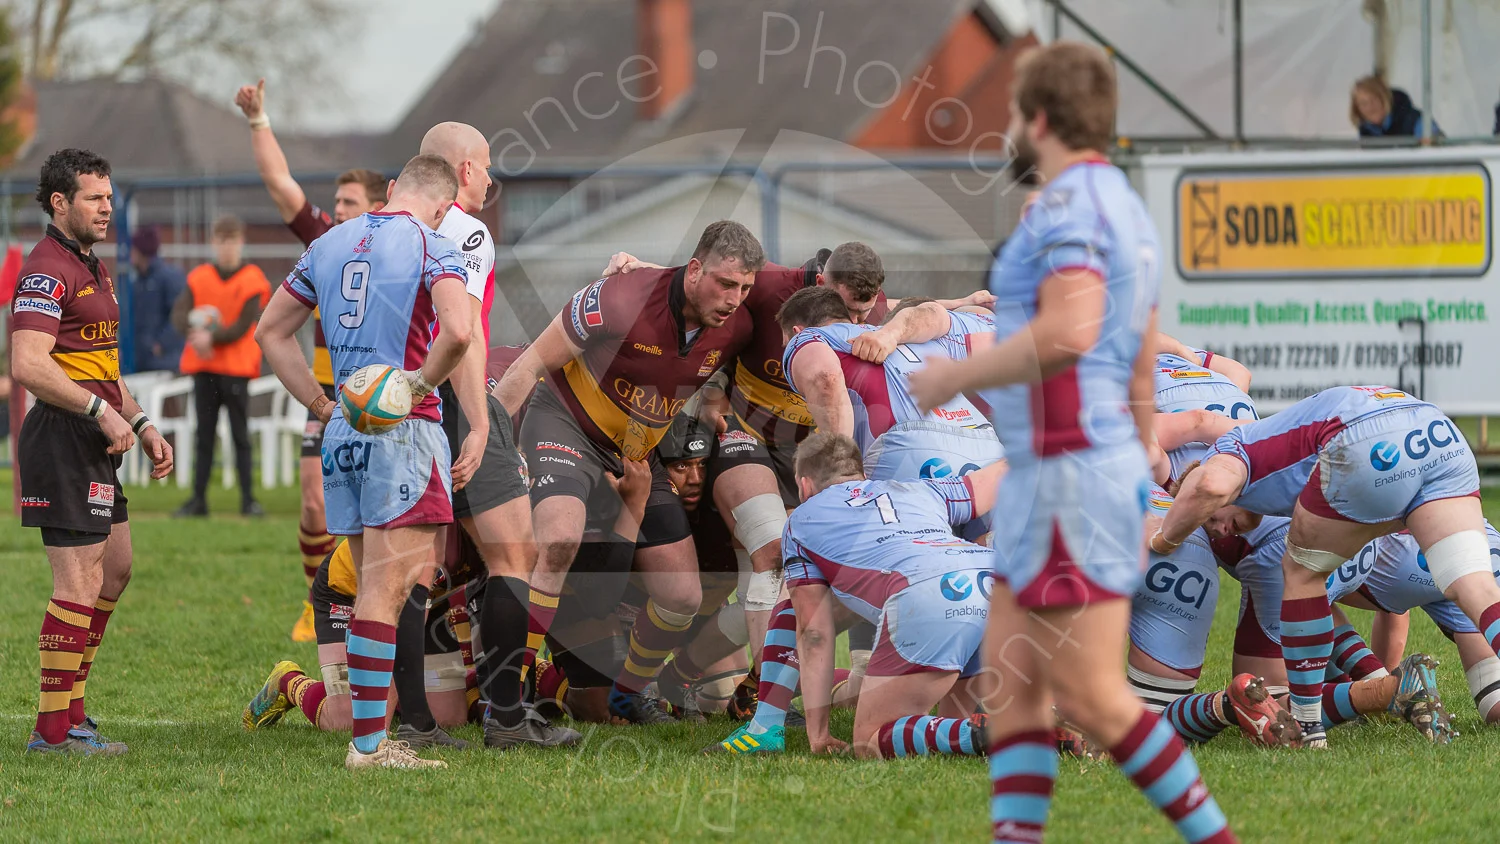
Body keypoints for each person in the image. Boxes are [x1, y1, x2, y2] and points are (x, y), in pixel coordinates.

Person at [906, 42, 1237, 844]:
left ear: (1042, 119)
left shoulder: (1066, 206)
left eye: (1017, 112)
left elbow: (1074, 324)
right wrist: (1141, 439)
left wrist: (958, 377)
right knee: (1012, 689)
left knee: (1089, 696)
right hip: (1061, 471)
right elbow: (1143, 332)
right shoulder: (1117, 201)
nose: (1011, 126)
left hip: (1069, 476)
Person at [255, 153, 477, 770]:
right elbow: (459, 331)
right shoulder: (434, 243)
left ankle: (370, 735)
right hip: (403, 430)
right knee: (389, 587)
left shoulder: (329, 242)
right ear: (439, 203)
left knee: (370, 583)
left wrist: (321, 405)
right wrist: (418, 383)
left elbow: (271, 331)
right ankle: (371, 748)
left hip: (345, 432)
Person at [491, 220, 761, 724]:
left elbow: (839, 293)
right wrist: (486, 448)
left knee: (682, 596)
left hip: (638, 452)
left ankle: (630, 692)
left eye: (745, 288)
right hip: (566, 429)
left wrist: (936, 311)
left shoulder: (739, 321)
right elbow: (527, 366)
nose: (735, 298)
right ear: (695, 269)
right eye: (726, 284)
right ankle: (512, 698)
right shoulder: (619, 298)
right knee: (558, 543)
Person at [1154, 384, 1497, 750]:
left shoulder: (1227, 450)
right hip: (1436, 431)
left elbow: (1209, 483)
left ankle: (1310, 723)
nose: (1219, 529)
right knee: (1476, 587)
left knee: (1301, 576)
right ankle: (1384, 687)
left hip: (1365, 442)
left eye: (1209, 519)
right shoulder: (1266, 445)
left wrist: (1162, 540)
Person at [12, 148, 174, 755]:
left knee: (115, 570)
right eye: (95, 199)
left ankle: (72, 712)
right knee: (76, 584)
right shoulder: (45, 269)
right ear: (61, 203)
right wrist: (98, 411)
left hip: (96, 435)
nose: (108, 208)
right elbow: (28, 364)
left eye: (109, 197)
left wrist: (141, 420)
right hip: (61, 437)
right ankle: (52, 733)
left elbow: (104, 368)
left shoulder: (93, 267)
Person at [415, 122, 568, 749]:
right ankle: (505, 715)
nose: (489, 180)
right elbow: (466, 335)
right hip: (453, 399)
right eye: (485, 166)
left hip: (389, 404)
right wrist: (481, 421)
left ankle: (411, 721)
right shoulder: (466, 231)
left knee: (410, 569)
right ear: (466, 171)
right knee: (513, 553)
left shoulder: (373, 226)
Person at [712, 433, 1005, 758]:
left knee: (869, 740)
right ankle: (1026, 731)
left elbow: (813, 633)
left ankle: (995, 731)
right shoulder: (919, 488)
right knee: (952, 725)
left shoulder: (801, 520)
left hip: (929, 593)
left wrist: (818, 734)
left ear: (804, 485)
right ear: (861, 474)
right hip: (996, 584)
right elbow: (994, 480)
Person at [234, 76, 389, 642]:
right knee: (311, 508)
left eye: (348, 202)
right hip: (324, 398)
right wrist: (258, 120)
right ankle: (317, 601)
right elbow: (279, 183)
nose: (337, 209)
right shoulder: (325, 238)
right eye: (337, 201)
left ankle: (368, 603)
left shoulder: (401, 243)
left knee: (381, 516)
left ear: (378, 205)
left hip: (387, 401)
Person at [779, 286, 1003, 486]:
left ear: (797, 332)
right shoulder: (899, 332)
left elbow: (825, 377)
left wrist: (839, 473)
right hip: (985, 446)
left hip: (912, 452)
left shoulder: (810, 338)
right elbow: (929, 312)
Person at [170, 215, 270, 518]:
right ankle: (198, 500)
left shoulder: (253, 278)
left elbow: (243, 325)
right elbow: (179, 313)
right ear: (214, 242)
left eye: (232, 240)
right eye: (221, 240)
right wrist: (193, 334)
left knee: (240, 435)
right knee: (204, 436)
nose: (226, 247)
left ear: (240, 242)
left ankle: (248, 501)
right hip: (205, 369)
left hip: (236, 369)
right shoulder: (199, 277)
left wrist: (210, 337)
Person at [126, 225, 186, 373]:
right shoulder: (137, 282)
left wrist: (161, 345)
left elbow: (179, 316)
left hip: (164, 363)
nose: (129, 254)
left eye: (133, 249)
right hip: (141, 362)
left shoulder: (169, 278)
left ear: (141, 251)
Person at [1351, 75, 1441, 142]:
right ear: (1357, 110)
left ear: (1384, 99)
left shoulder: (1415, 121)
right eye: (1363, 104)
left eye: (1374, 100)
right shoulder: (1366, 133)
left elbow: (1437, 147)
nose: (1370, 107)